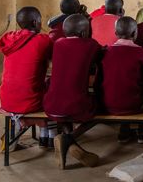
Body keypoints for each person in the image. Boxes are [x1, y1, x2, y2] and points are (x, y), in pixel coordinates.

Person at [43, 14, 101, 169]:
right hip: (76, 107)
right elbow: (100, 57)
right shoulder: (91, 44)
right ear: (84, 33)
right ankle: (69, 139)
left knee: (67, 101)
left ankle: (67, 139)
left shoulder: (58, 44)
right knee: (100, 107)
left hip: (50, 106)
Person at [0, 7, 54, 147]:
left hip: (7, 100)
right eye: (40, 22)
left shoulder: (9, 39)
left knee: (37, 84)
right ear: (35, 22)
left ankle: (39, 133)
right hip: (29, 102)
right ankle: (50, 136)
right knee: (55, 94)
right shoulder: (42, 41)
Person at [98, 17, 143, 144]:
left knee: (120, 88)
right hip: (134, 105)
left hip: (107, 104)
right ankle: (142, 128)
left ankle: (124, 130)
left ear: (115, 33)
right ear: (135, 33)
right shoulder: (141, 53)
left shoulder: (106, 52)